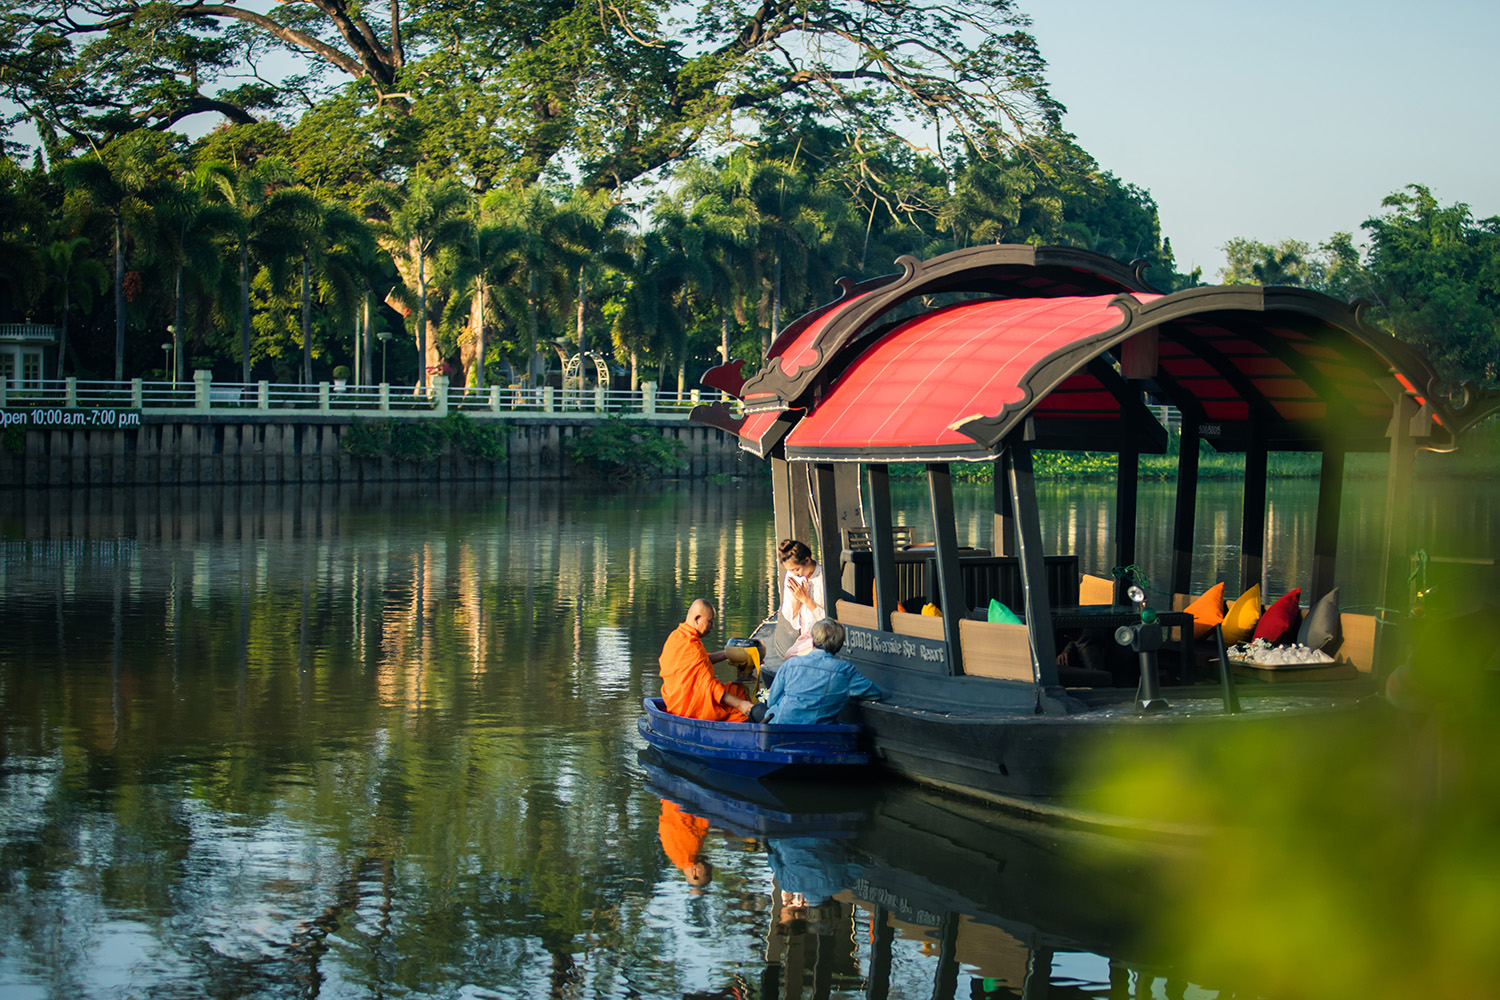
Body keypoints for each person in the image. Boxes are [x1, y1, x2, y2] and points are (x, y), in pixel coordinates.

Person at [763, 619, 880, 725]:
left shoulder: (791, 664)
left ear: (813, 640)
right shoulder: (845, 670)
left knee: (756, 710)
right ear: (839, 645)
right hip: (819, 731)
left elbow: (772, 701)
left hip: (780, 726)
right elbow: (874, 693)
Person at [658, 598, 756, 722]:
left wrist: (728, 654)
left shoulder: (676, 636)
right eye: (710, 622)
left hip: (674, 702)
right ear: (697, 619)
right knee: (739, 693)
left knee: (735, 690)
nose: (713, 626)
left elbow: (702, 661)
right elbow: (709, 687)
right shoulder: (691, 646)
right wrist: (740, 704)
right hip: (690, 708)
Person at [773, 539, 826, 661]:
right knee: (791, 657)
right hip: (805, 635)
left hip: (824, 636)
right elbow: (790, 617)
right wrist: (797, 599)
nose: (794, 574)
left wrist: (806, 599)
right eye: (790, 570)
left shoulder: (823, 577)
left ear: (807, 560)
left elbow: (828, 619)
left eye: (796, 569)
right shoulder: (792, 577)